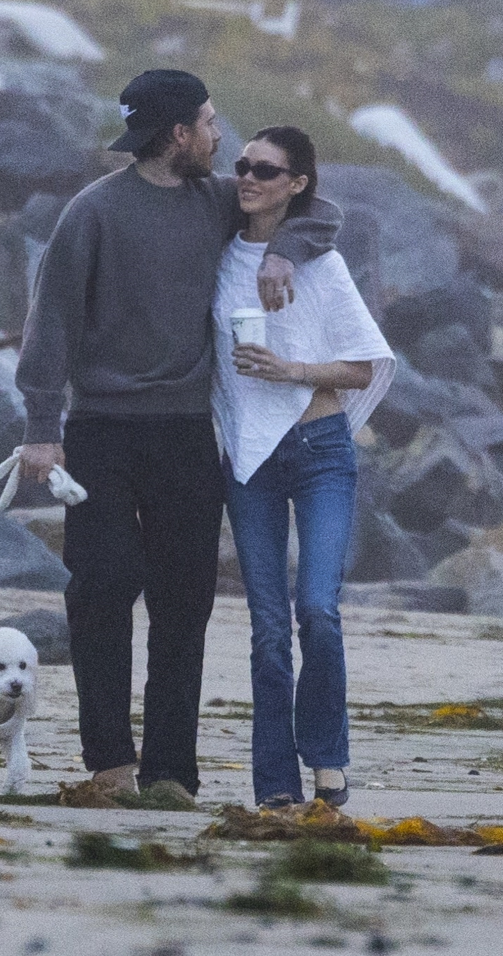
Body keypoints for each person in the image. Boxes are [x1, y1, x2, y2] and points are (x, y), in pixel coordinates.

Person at [15, 70, 343, 803]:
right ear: (179, 134)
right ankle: (109, 762)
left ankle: (170, 772)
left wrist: (283, 251)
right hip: (99, 431)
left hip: (186, 433)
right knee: (102, 584)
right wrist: (41, 428)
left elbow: (320, 211)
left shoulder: (216, 201)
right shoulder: (92, 211)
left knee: (184, 600)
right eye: (210, 123)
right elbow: (51, 319)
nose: (221, 138)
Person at [212, 126, 395, 809]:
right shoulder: (218, 256)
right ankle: (275, 786)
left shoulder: (323, 265)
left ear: (297, 184)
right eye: (242, 165)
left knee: (316, 608)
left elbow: (362, 367)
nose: (247, 177)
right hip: (248, 457)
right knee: (266, 630)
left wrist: (289, 369)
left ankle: (326, 757)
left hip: (320, 449)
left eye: (266, 170)